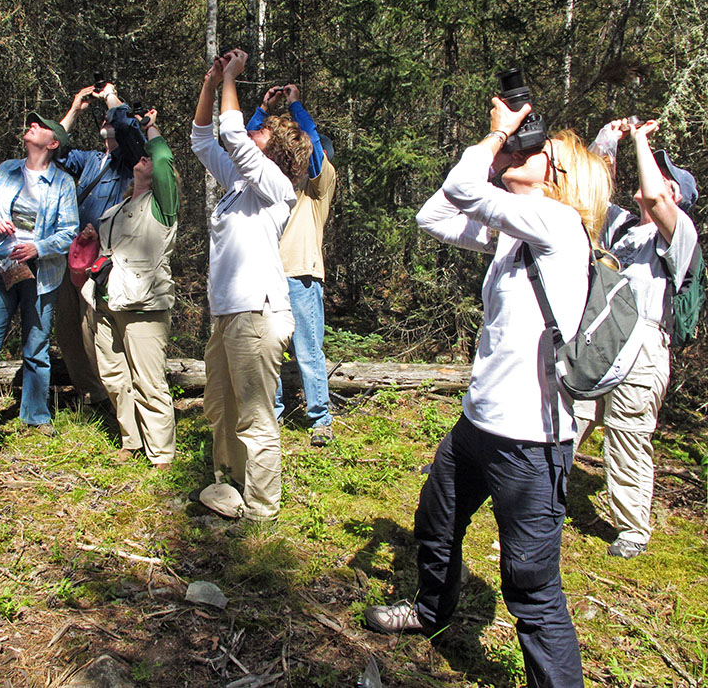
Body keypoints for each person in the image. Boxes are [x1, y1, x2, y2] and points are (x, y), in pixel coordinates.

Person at [363, 97, 612, 688]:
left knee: (530, 587)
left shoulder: (557, 225)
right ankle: (429, 612)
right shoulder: (516, 231)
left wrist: (498, 135)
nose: (521, 150)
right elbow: (434, 213)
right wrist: (500, 145)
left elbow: (462, 184)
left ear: (557, 175)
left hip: (531, 443)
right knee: (437, 520)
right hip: (479, 424)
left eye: (537, 148)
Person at [190, 49, 311, 521]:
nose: (253, 130)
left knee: (256, 418)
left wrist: (231, 80)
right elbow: (204, 141)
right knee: (220, 408)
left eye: (261, 131)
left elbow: (229, 133)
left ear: (273, 149)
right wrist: (211, 81)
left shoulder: (276, 186)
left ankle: (262, 508)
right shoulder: (240, 185)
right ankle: (229, 488)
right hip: (227, 314)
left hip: (257, 314)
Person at [574, 119, 699, 559]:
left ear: (677, 195)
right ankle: (532, 491)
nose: (651, 178)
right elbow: (588, 187)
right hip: (601, 338)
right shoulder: (623, 228)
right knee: (566, 422)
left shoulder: (680, 235)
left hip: (644, 345)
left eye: (663, 174)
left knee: (627, 436)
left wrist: (643, 140)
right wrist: (609, 139)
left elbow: (656, 197)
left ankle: (632, 530)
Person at [0, 113, 78, 438]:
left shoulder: (63, 183)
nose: (32, 126)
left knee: (36, 348)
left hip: (42, 275)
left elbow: (70, 232)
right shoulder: (7, 170)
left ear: (52, 144)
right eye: (31, 124)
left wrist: (38, 248)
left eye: (40, 126)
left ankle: (36, 417)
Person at [80, 107, 179, 470]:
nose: (143, 160)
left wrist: (150, 127)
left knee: (149, 381)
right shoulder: (120, 206)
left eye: (147, 159)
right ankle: (131, 440)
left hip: (143, 305)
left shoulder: (161, 206)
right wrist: (93, 238)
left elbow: (164, 157)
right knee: (114, 376)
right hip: (105, 300)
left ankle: (162, 454)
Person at [247, 84, 337, 446]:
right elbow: (248, 147)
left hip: (300, 274)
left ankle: (320, 419)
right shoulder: (275, 184)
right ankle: (275, 413)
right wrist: (262, 108)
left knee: (308, 349)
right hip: (268, 275)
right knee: (269, 348)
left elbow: (311, 143)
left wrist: (297, 104)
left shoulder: (318, 186)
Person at [55, 83, 142, 407]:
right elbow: (54, 147)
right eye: (104, 118)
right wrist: (76, 107)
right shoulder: (89, 159)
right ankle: (91, 394)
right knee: (67, 327)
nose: (107, 120)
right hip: (75, 254)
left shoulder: (130, 159)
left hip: (105, 258)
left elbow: (128, 126)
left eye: (111, 118)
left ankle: (114, 395)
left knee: (96, 328)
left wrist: (110, 97)